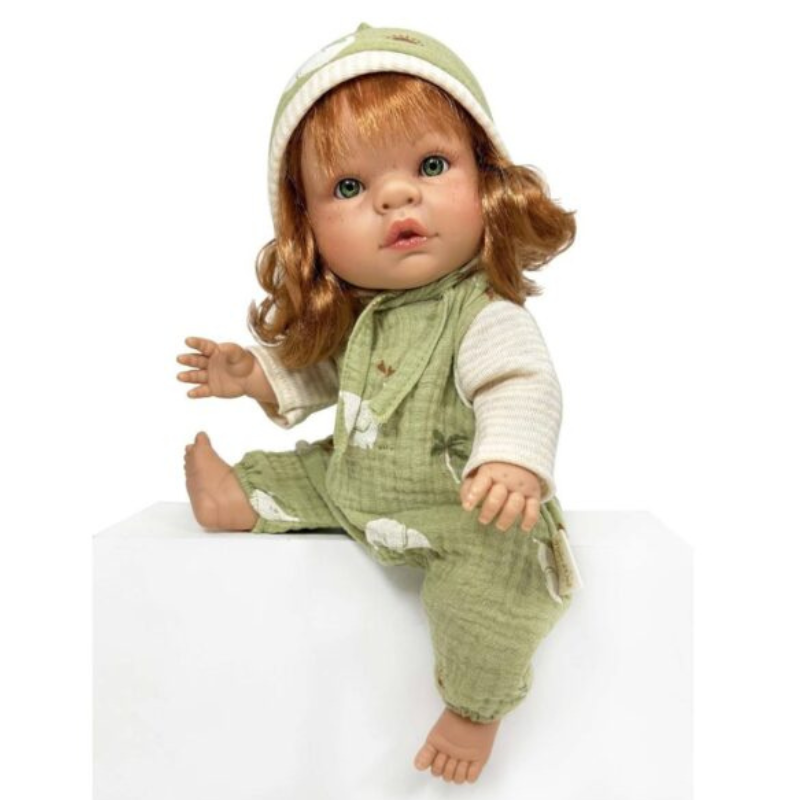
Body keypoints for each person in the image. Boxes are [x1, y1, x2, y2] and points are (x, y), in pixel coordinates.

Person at [176, 23, 582, 785]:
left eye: (431, 165)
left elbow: (520, 385)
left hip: (462, 505)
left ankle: (474, 708)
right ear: (307, 228)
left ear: (488, 182)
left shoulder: (483, 315)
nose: (396, 195)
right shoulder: (366, 314)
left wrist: (510, 461)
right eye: (349, 188)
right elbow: (327, 374)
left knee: (498, 585)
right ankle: (240, 498)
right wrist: (255, 375)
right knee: (305, 467)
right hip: (362, 481)